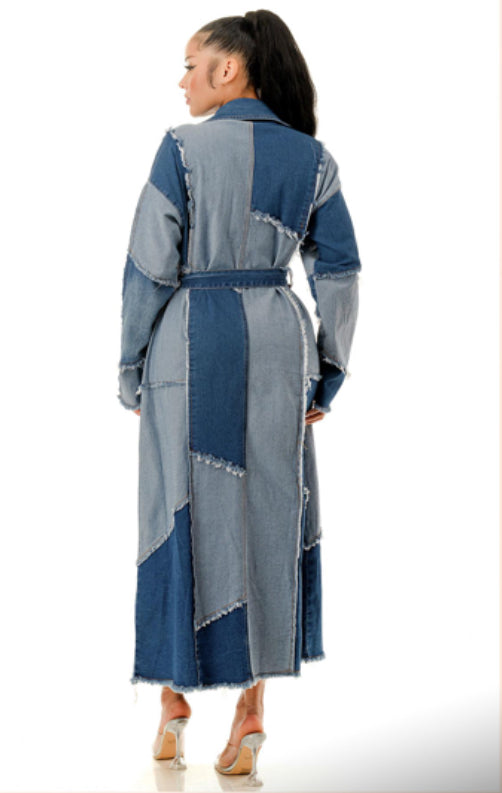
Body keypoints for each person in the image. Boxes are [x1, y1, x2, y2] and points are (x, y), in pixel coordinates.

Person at [117, 9, 361, 784]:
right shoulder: (312, 158)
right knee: (267, 511)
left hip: (192, 340)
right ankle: (251, 713)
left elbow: (148, 267)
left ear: (229, 69)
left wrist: (129, 366)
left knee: (176, 508)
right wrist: (329, 367)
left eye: (192, 64)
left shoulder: (181, 149)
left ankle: (172, 703)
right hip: (279, 343)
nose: (182, 80)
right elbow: (340, 272)